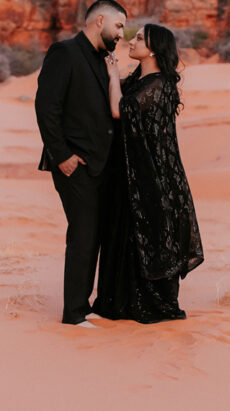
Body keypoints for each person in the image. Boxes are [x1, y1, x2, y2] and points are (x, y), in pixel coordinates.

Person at [92, 23, 204, 323]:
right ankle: (118, 301)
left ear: (153, 49)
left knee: (147, 234)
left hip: (152, 175)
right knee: (124, 233)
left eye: (139, 38)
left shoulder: (159, 84)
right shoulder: (138, 80)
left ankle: (146, 303)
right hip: (129, 172)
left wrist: (113, 76)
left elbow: (120, 110)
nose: (132, 41)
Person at [35, 0, 127, 326]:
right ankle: (73, 314)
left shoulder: (105, 60)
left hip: (103, 166)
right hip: (75, 164)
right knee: (83, 236)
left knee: (96, 236)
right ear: (98, 19)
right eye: (118, 25)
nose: (121, 34)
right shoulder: (65, 53)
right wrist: (62, 157)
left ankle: (84, 306)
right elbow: (47, 107)